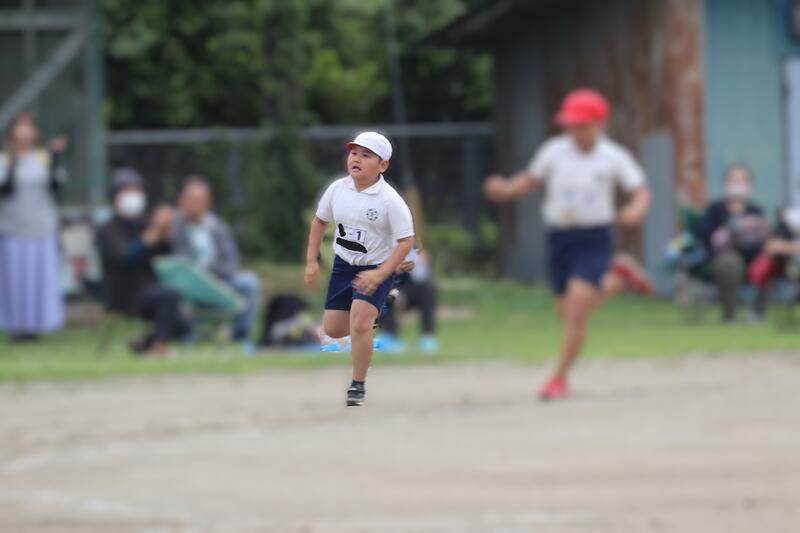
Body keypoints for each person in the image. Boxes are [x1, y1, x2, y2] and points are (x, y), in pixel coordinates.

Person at [484, 89, 652, 401]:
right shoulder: (554, 151)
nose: (575, 131)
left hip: (594, 236)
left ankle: (558, 378)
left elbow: (640, 190)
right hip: (559, 237)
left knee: (576, 311)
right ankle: (619, 278)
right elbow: (530, 180)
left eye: (582, 125)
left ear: (599, 124)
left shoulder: (612, 156)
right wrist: (506, 190)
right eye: (570, 125)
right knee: (566, 310)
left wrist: (636, 209)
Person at [304, 131, 414, 407]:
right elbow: (319, 221)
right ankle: (381, 309)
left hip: (376, 268)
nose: (357, 159)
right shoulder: (337, 189)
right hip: (344, 266)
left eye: (366, 155)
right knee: (333, 329)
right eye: (354, 153)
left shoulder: (389, 200)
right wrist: (311, 261)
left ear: (382, 165)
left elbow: (406, 241)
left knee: (360, 324)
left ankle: (357, 385)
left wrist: (382, 273)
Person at [96, 168, 190, 356]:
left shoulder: (145, 224)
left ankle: (144, 344)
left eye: (137, 191)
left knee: (184, 324)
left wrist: (166, 236)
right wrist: (150, 237)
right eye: (127, 191)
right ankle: (159, 347)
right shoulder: (108, 229)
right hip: (123, 292)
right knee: (168, 296)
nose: (133, 196)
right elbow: (124, 257)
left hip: (150, 289)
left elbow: (166, 258)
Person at [0, 112, 68, 340]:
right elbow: (6, 189)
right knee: (14, 281)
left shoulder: (44, 157)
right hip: (12, 229)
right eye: (20, 127)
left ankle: (38, 325)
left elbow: (55, 186)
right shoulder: (4, 159)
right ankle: (16, 326)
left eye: (29, 127)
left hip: (42, 228)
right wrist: (13, 159)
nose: (24, 132)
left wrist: (55, 156)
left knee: (39, 281)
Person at [172, 176, 262, 343]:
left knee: (249, 282)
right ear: (182, 200)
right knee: (173, 291)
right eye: (192, 200)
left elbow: (232, 258)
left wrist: (215, 275)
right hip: (187, 283)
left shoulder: (217, 226)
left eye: (200, 200)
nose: (196, 205)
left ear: (208, 202)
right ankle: (185, 334)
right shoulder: (174, 226)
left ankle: (240, 335)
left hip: (219, 279)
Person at [697, 165, 770, 322]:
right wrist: (735, 226)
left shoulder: (755, 210)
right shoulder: (715, 209)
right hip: (724, 259)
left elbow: (766, 239)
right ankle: (729, 315)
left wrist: (760, 227)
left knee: (769, 260)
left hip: (752, 257)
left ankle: (757, 313)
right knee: (731, 262)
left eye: (742, 181)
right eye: (734, 181)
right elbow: (706, 235)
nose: (738, 185)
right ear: (726, 184)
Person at [378, 248, 439, 353]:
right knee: (389, 293)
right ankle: (389, 336)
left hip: (410, 287)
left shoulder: (414, 247)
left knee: (429, 289)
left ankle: (427, 337)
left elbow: (420, 277)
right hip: (392, 284)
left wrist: (420, 262)